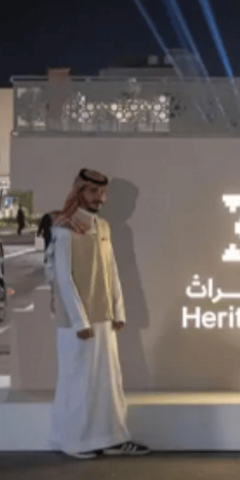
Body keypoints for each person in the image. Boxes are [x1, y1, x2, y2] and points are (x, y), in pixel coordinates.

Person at [47, 168, 149, 459]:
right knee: (78, 382)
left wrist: (118, 310)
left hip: (104, 318)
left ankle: (112, 438)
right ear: (79, 191)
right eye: (93, 191)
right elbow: (62, 277)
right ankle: (74, 441)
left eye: (103, 192)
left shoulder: (102, 227)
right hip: (76, 323)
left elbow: (111, 270)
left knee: (108, 383)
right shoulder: (64, 228)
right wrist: (79, 319)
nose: (99, 198)